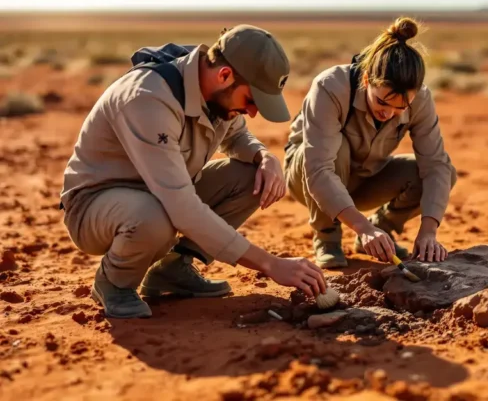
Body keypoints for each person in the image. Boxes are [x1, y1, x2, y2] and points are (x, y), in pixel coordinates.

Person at [60, 25, 326, 319]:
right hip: (95, 205)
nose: (253, 113)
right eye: (251, 101)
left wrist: (264, 156)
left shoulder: (211, 85)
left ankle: (173, 269)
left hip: (160, 193)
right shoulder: (147, 98)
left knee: (252, 177)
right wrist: (271, 264)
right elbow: (182, 207)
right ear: (224, 75)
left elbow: (237, 137)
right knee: (152, 218)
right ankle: (114, 283)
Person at [284, 17, 457, 269]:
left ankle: (381, 230)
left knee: (444, 172)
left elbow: (435, 166)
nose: (388, 113)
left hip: (365, 178)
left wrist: (428, 231)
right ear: (366, 81)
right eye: (382, 102)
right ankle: (327, 238)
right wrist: (361, 227)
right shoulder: (330, 87)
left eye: (400, 107)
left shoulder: (421, 100)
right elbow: (318, 169)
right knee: (338, 148)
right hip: (307, 178)